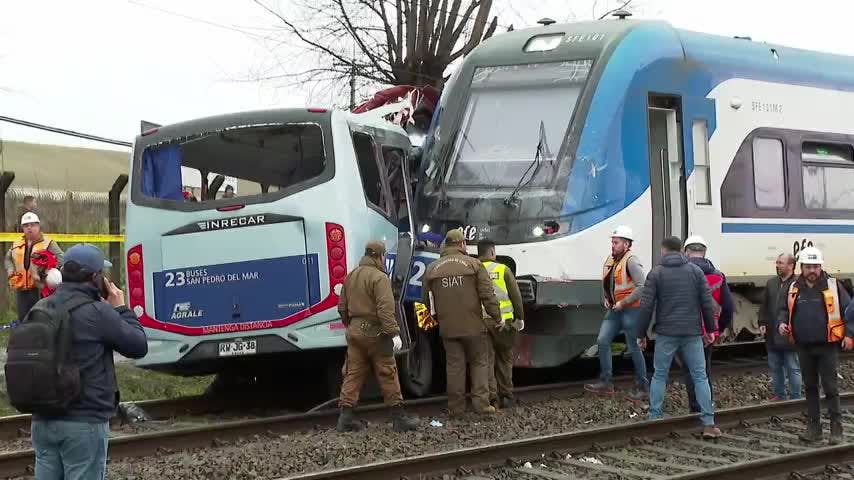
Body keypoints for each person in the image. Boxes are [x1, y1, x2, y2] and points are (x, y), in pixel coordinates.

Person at [31, 243, 148, 479]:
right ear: (96, 278)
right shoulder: (98, 312)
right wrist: (122, 308)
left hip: (43, 422)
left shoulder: (40, 307)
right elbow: (138, 346)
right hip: (84, 422)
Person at [636, 236, 722, 438]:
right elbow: (706, 303)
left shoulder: (656, 273)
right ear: (682, 251)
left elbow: (646, 306)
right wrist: (710, 329)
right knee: (700, 376)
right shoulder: (695, 272)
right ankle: (708, 423)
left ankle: (655, 417)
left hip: (667, 333)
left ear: (663, 251)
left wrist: (641, 334)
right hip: (692, 332)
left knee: (659, 375)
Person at [336, 240, 418, 432]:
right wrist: (394, 333)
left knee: (353, 374)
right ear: (379, 256)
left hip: (354, 331)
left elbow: (342, 307)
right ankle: (399, 418)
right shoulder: (379, 278)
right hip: (375, 333)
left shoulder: (351, 276)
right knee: (387, 372)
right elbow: (385, 310)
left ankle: (345, 418)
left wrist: (352, 324)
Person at [777, 246, 853, 444]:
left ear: (821, 267)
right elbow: (783, 309)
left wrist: (849, 335)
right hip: (803, 345)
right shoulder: (793, 286)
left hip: (827, 345)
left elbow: (850, 312)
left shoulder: (833, 286)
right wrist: (781, 323)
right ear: (802, 267)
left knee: (830, 387)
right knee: (810, 387)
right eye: (809, 266)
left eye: (816, 266)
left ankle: (837, 429)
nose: (812, 270)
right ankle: (814, 428)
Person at [423, 228, 501, 417]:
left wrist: (435, 320)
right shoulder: (474, 265)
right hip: (473, 326)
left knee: (454, 367)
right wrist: (497, 316)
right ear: (462, 244)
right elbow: (487, 295)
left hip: (448, 328)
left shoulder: (432, 269)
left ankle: (456, 408)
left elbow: (426, 300)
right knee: (479, 363)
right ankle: (481, 405)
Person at [585, 225, 649, 401]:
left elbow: (642, 287)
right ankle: (606, 382)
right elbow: (607, 283)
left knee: (634, 347)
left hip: (631, 310)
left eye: (616, 242)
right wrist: (606, 298)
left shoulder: (632, 261)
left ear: (626, 245)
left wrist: (624, 302)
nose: (612, 245)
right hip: (615, 309)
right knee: (602, 341)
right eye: (612, 242)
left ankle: (643, 386)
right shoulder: (611, 260)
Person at [676, 235, 735, 414]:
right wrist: (718, 328)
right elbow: (729, 307)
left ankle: (695, 407)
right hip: (709, 331)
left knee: (689, 370)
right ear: (704, 252)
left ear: (686, 252)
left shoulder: (680, 274)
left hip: (686, 330)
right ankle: (706, 405)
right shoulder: (718, 275)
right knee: (704, 369)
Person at [477, 239, 525, 409]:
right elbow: (516, 296)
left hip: (482, 321)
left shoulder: (474, 270)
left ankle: (492, 399)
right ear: (492, 253)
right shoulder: (503, 269)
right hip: (504, 322)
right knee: (505, 358)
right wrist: (520, 318)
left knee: (488, 360)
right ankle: (506, 396)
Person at [5, 213, 64, 324]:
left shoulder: (48, 243)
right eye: (26, 225)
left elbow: (61, 259)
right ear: (22, 228)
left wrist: (48, 270)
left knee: (41, 318)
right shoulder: (17, 243)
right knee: (24, 319)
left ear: (38, 226)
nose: (29, 228)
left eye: (32, 225)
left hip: (40, 289)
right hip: (22, 288)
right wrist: (10, 269)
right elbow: (8, 258)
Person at [759, 253, 802, 401]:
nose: (777, 265)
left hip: (790, 334)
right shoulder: (771, 283)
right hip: (772, 334)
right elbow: (764, 305)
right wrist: (762, 322)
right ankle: (779, 395)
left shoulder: (798, 284)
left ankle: (795, 397)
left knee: (793, 367)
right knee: (775, 367)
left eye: (781, 263)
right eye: (777, 262)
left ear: (791, 265)